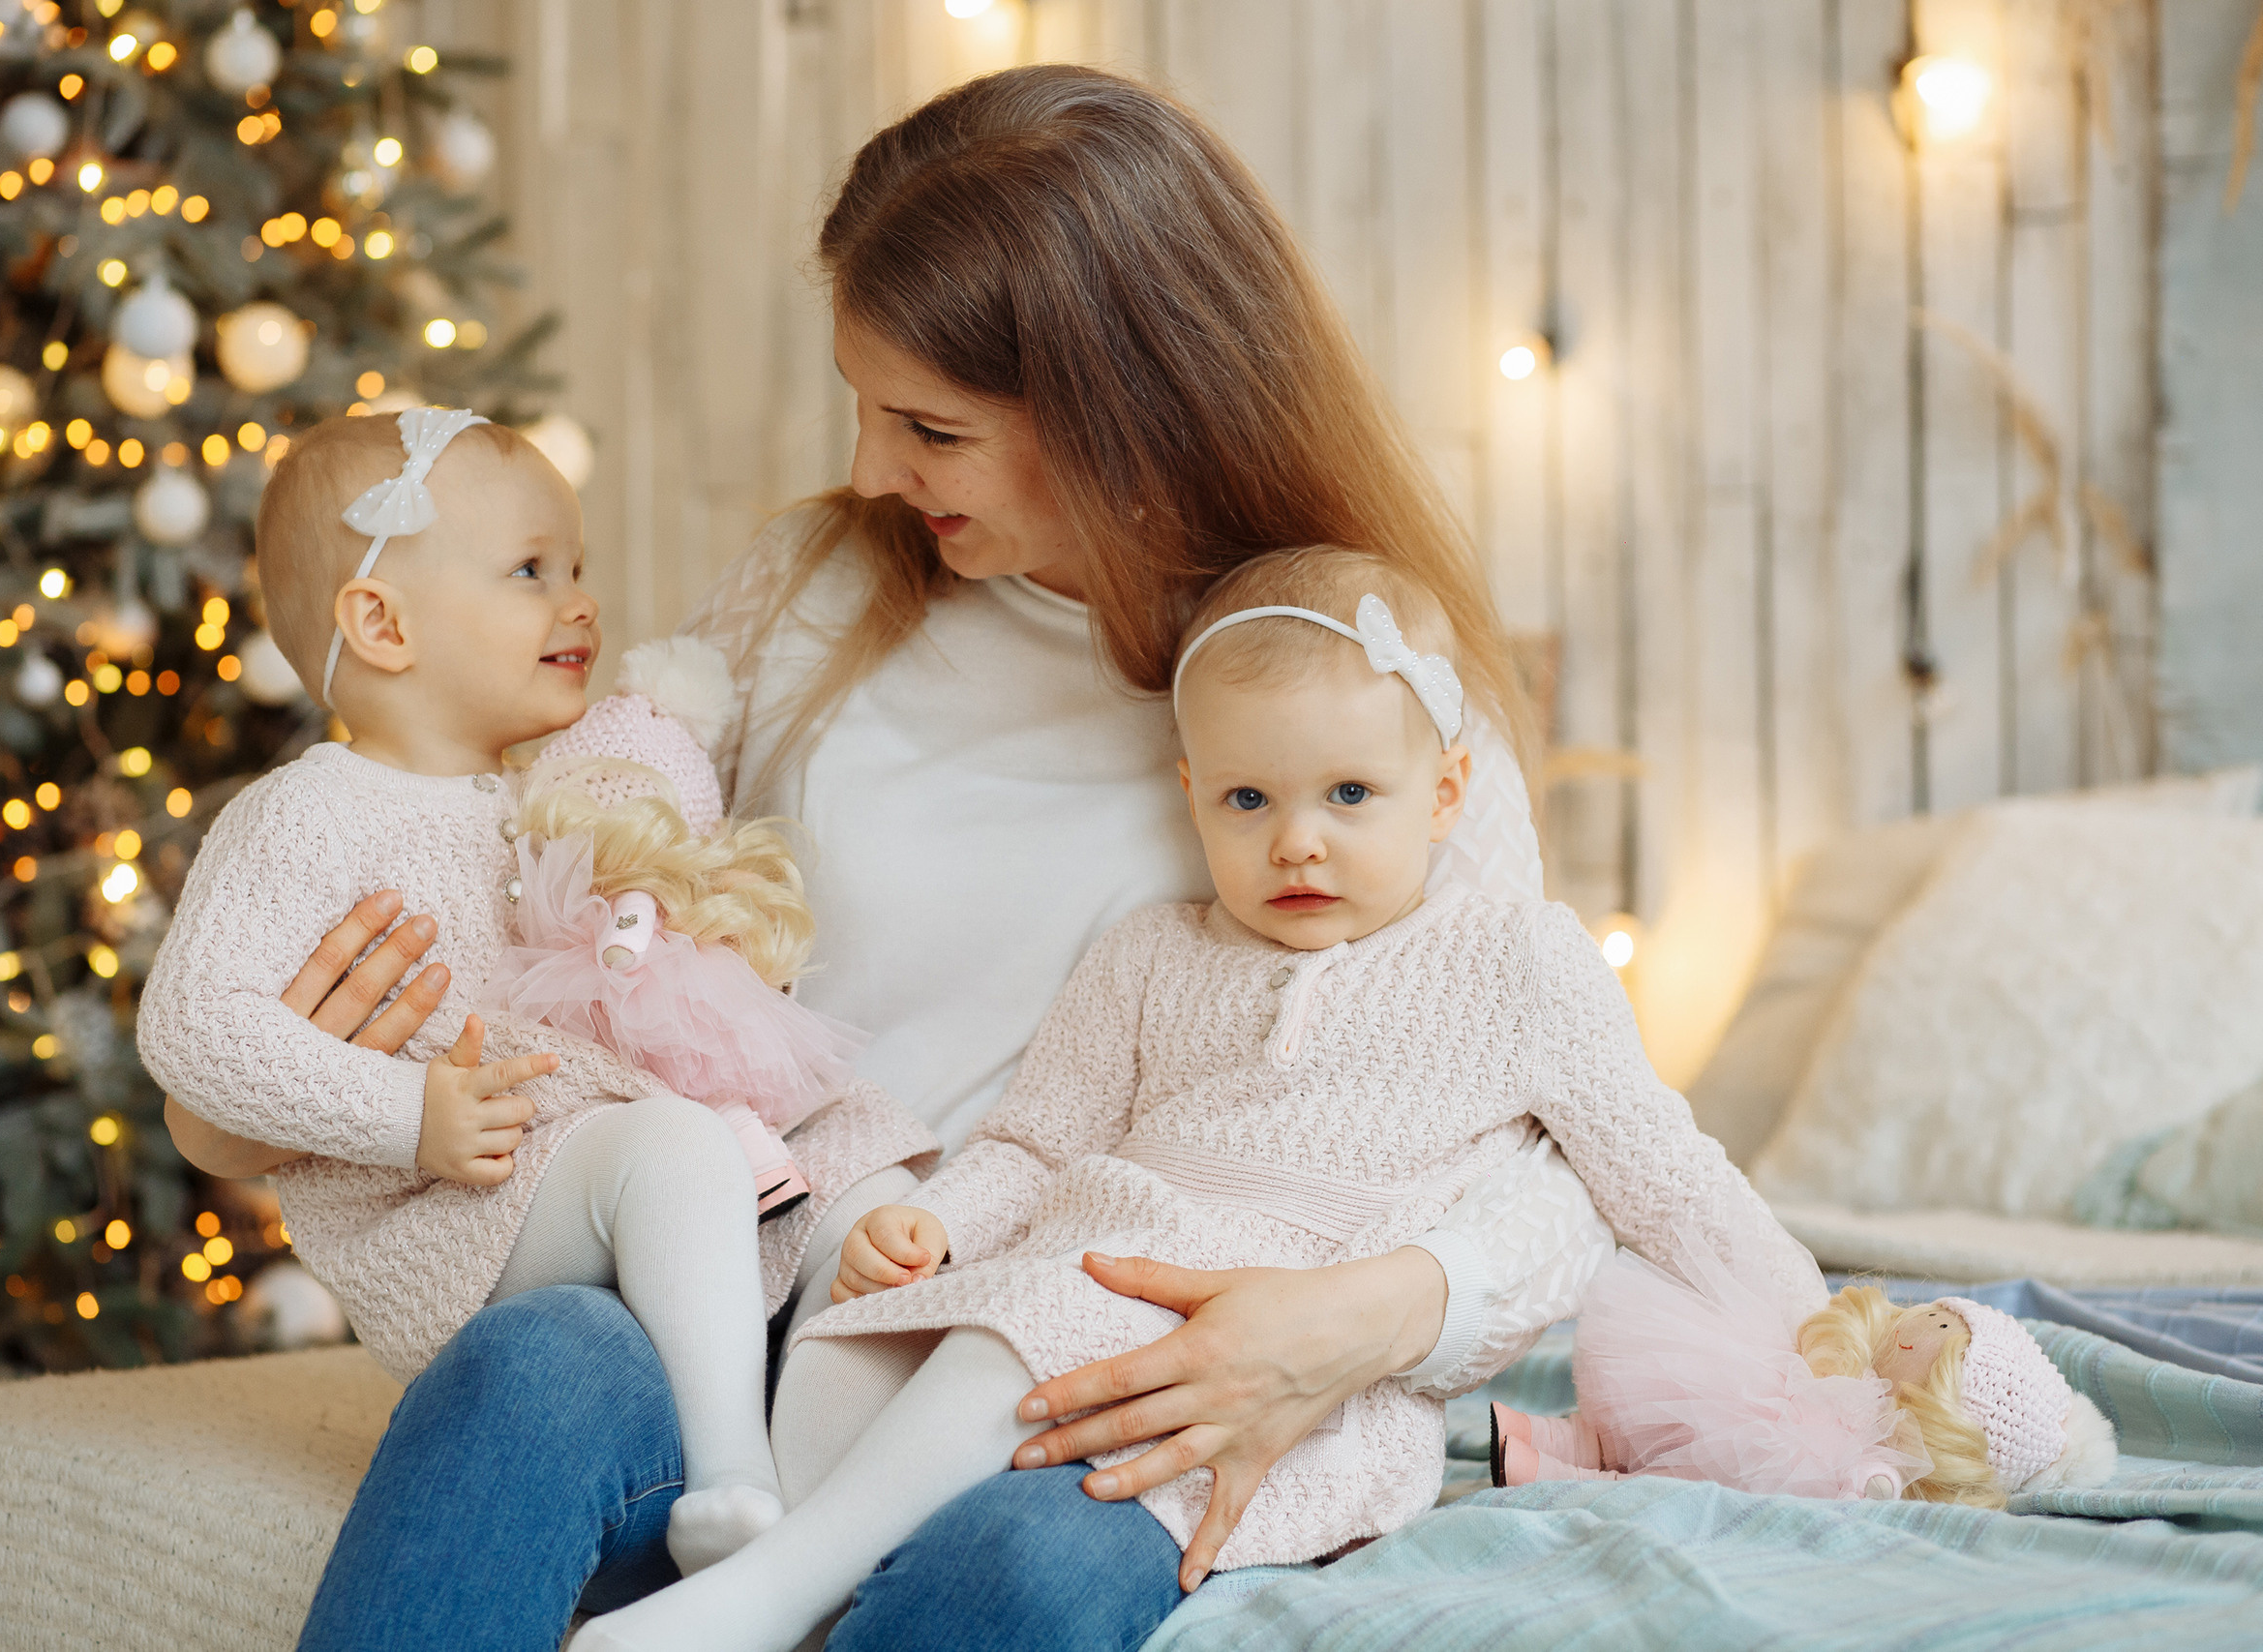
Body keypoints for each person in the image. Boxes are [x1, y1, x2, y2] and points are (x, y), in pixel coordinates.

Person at [174, 64, 1618, 1652]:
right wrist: (249, 1105)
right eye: (865, 405)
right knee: (534, 1372)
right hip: (766, 1272)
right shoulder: (812, 587)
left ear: (1125, 407)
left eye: (930, 426)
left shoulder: (1358, 687)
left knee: (1032, 1567)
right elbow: (596, 899)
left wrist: (1347, 1325)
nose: (870, 468)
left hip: (1077, 1325)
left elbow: (1554, 1155)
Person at [573, 554, 1824, 1652]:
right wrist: (939, 1222)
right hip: (1075, 1261)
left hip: (1285, 1348)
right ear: (1192, 791)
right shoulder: (1150, 951)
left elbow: (1663, 1171)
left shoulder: (1520, 958)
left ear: (1442, 794)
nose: (1296, 842)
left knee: (1046, 1315)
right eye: (1248, 799)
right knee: (865, 1328)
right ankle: (792, 1570)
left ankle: (763, 1597)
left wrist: (1817, 1325)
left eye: (1349, 795)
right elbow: (1035, 1138)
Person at [138, 408, 928, 1580]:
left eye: (577, 569)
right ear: (381, 622)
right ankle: (734, 1485)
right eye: (529, 572)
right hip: (441, 1225)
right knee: (666, 1151)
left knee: (835, 1152)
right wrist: (408, 1119)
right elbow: (196, 1030)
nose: (581, 604)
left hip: (559, 1172)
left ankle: (857, 1368)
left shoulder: (538, 794)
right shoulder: (307, 813)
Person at [1492, 1247, 2117, 1506]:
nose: (1910, 1329)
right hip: (1762, 1370)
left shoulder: (1867, 1462)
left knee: (1687, 1473)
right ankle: (1561, 1435)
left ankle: (1571, 1475)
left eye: (1940, 1343)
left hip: (1775, 1446)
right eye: (1934, 1316)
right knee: (1668, 1404)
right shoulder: (1847, 1343)